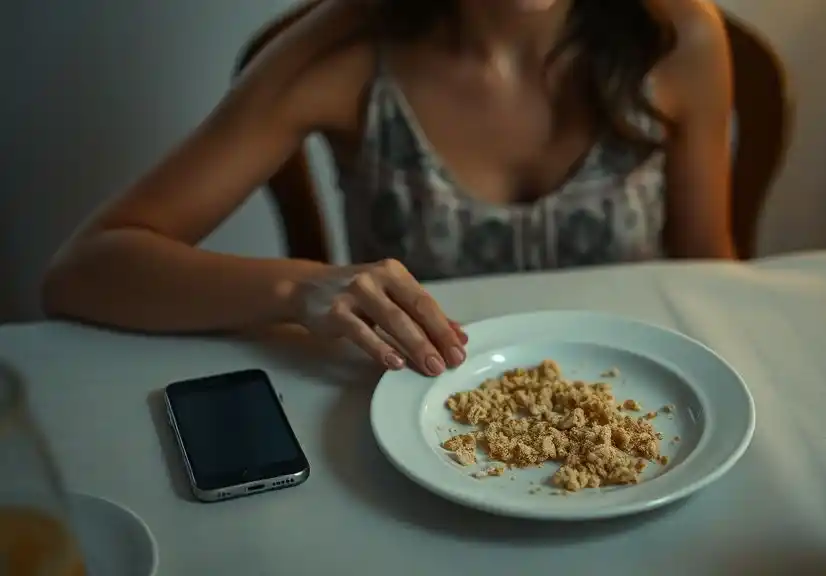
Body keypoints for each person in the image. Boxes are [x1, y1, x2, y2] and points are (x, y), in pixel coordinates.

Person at [41, 0, 736, 376]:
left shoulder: (677, 36)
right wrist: (302, 288)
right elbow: (86, 270)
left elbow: (710, 270)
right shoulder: (344, 51)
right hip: (419, 428)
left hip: (636, 412)